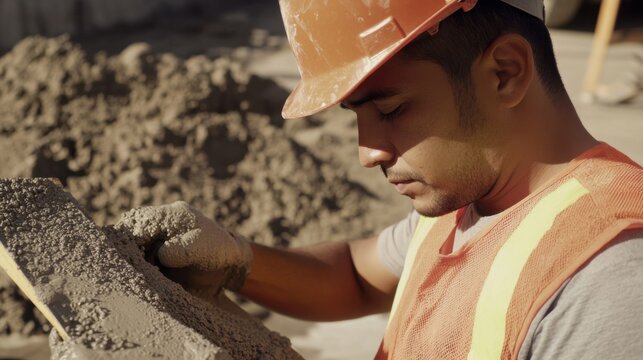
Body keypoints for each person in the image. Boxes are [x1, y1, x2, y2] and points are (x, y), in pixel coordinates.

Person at [118, 0, 643, 358]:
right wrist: (237, 260)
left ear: (505, 72)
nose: (367, 152)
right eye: (356, 115)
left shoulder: (611, 278)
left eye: (390, 110)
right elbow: (355, 273)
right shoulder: (470, 199)